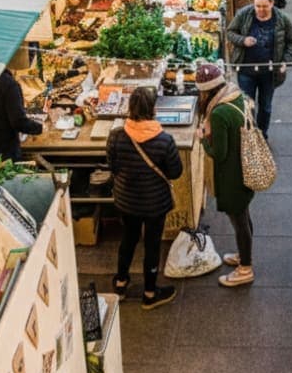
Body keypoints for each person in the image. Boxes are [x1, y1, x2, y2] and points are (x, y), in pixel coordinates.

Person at [106, 89, 183, 309]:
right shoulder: (164, 140)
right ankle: (150, 293)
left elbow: (112, 166)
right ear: (153, 110)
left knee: (128, 239)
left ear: (130, 109)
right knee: (152, 244)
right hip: (155, 203)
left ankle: (120, 283)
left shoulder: (116, 137)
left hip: (126, 201)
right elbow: (176, 172)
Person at [194, 63, 257, 287]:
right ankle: (244, 255)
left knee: (239, 221)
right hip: (244, 166)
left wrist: (203, 137)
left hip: (232, 175)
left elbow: (219, 154)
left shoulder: (219, 113)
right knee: (244, 216)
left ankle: (245, 268)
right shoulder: (235, 95)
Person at [226, 0, 292, 137]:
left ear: (272, 3)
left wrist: (285, 61)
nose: (260, 9)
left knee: (265, 107)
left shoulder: (282, 19)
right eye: (257, 5)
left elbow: (291, 40)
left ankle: (262, 133)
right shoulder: (244, 14)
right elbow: (230, 32)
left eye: (264, 6)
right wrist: (243, 40)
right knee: (247, 106)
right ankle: (250, 134)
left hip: (270, 73)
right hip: (246, 70)